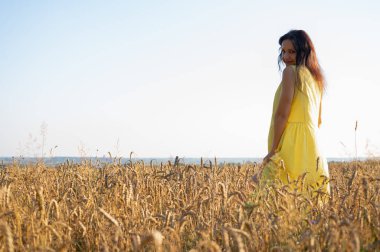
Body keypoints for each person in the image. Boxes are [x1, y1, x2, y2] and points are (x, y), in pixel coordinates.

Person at [261, 30, 330, 194]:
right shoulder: (316, 79)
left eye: (292, 52)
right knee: (309, 201)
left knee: (274, 201)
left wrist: (272, 150)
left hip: (292, 144)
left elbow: (282, 114)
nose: (286, 57)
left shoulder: (290, 72)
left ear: (304, 52)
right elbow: (318, 120)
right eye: (283, 52)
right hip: (313, 147)